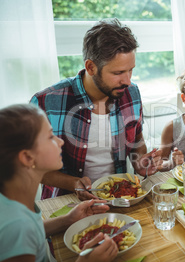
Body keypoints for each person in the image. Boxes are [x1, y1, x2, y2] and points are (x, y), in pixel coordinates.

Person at [30, 18, 161, 200]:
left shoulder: (131, 92)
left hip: (121, 199)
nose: (128, 80)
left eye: (130, 70)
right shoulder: (46, 102)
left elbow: (137, 141)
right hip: (65, 203)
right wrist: (73, 183)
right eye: (118, 73)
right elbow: (33, 167)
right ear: (91, 67)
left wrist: (140, 162)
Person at [0, 104, 118, 262]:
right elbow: (22, 232)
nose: (60, 141)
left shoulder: (12, 203)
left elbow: (32, 230)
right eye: (50, 137)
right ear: (27, 157)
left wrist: (67, 220)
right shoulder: (16, 226)